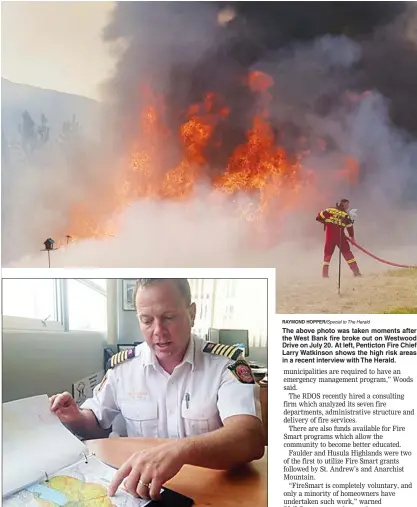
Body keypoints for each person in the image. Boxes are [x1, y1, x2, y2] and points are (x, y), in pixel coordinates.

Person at [50, 278, 265, 501]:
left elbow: (250, 439)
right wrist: (74, 417)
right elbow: (95, 423)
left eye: (169, 317)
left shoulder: (226, 364)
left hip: (210, 493)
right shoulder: (122, 368)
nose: (158, 331)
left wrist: (180, 451)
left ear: (192, 313)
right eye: (147, 321)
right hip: (140, 492)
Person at [316, 198, 362, 278]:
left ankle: (325, 275)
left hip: (329, 237)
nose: (348, 206)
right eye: (347, 205)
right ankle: (356, 272)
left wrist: (326, 222)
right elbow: (350, 228)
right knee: (348, 254)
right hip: (340, 237)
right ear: (343, 204)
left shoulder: (329, 210)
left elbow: (318, 217)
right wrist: (352, 238)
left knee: (327, 255)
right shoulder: (345, 215)